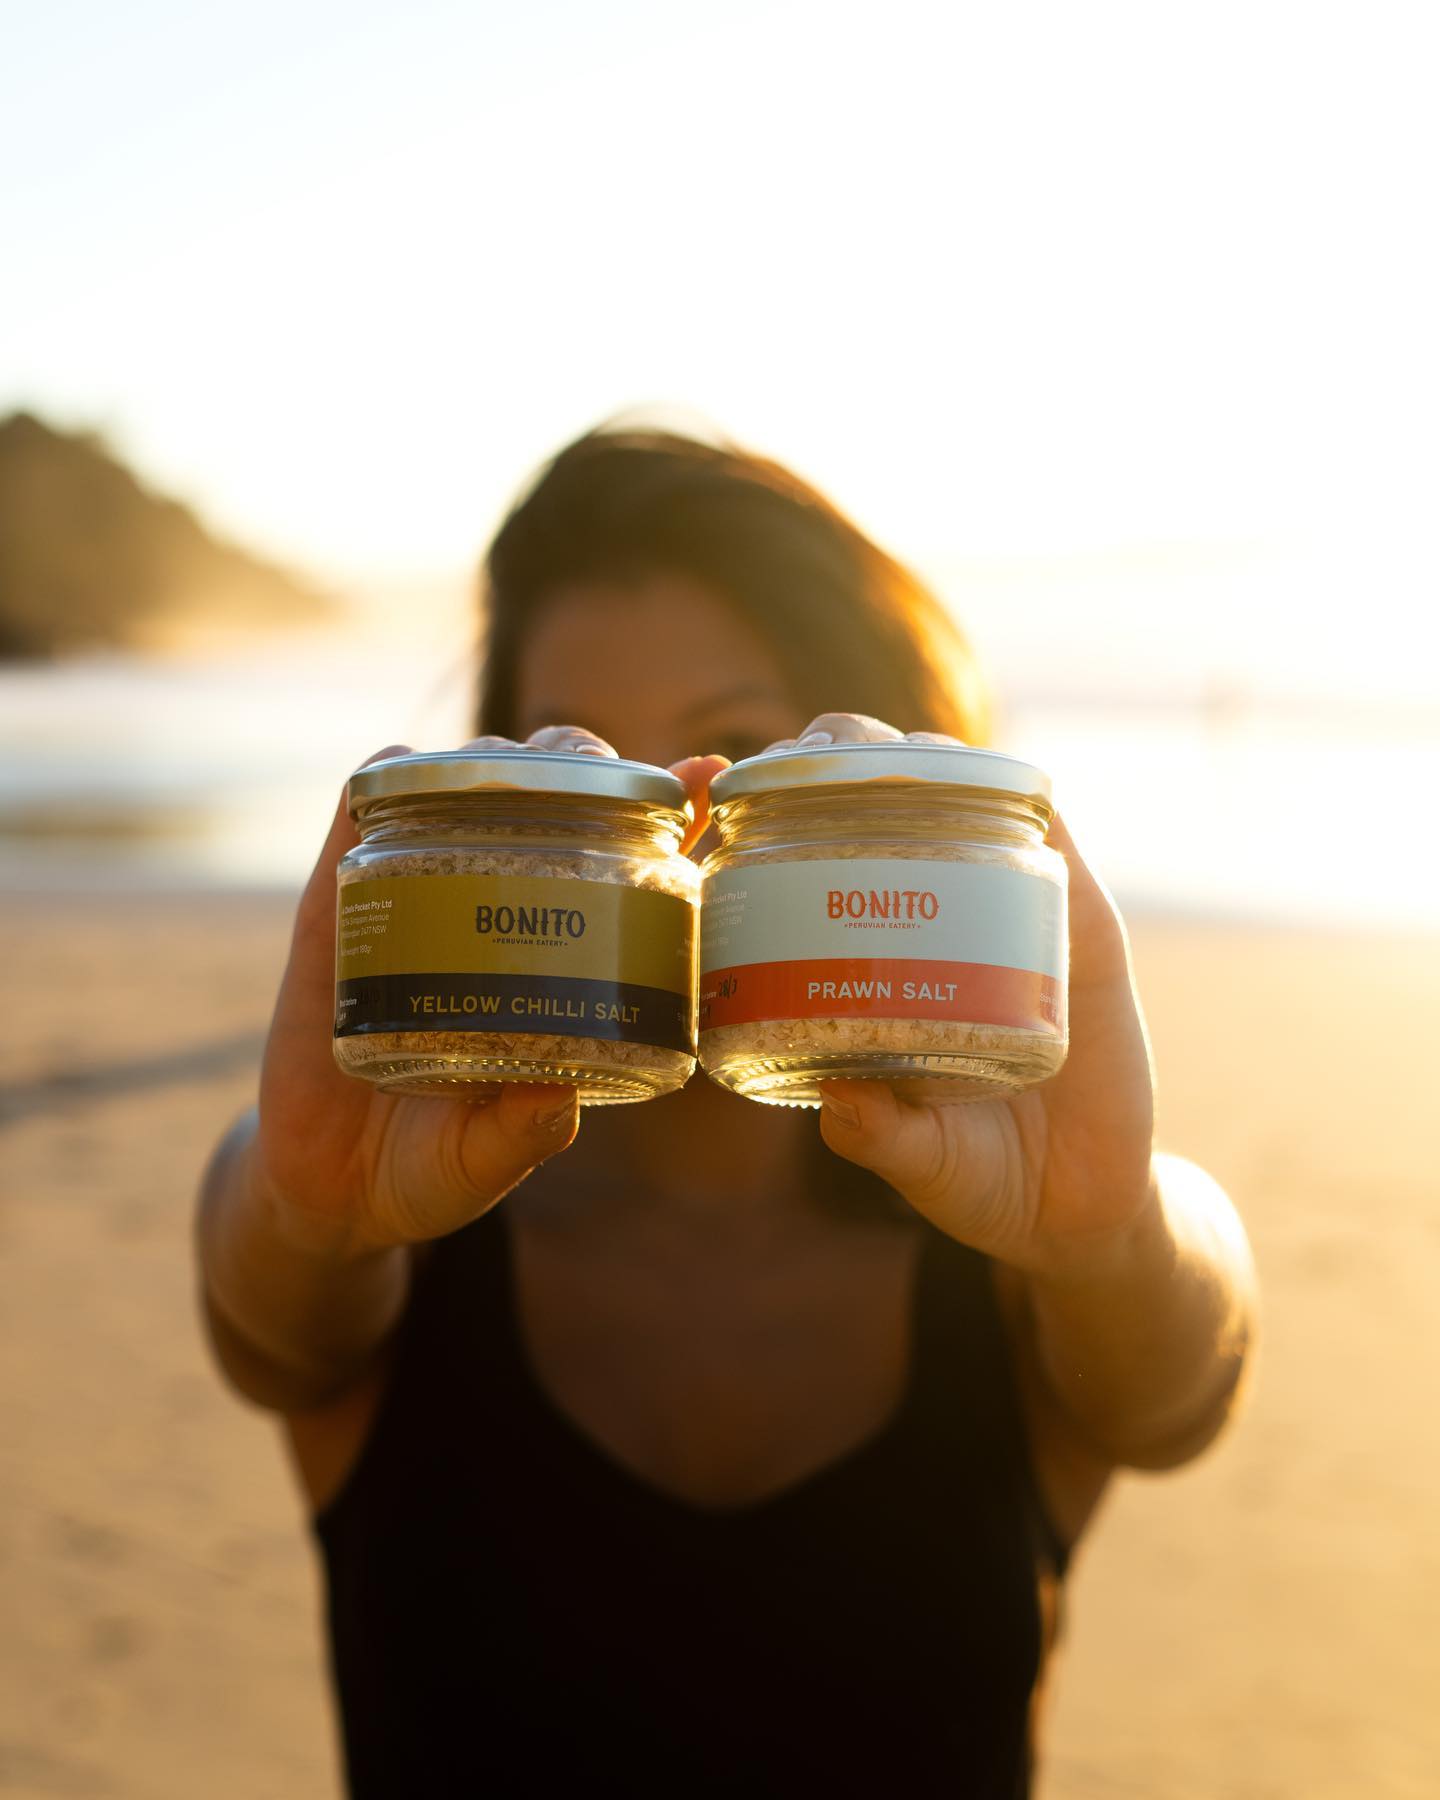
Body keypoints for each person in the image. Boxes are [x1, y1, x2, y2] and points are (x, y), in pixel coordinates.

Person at [195, 427, 1258, 1798]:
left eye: (735, 747)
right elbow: (266, 1315)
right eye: (598, 780)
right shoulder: (397, 1223)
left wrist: (1113, 1235)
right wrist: (305, 1213)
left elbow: (1183, 1385)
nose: (673, 822)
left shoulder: (1010, 1265)